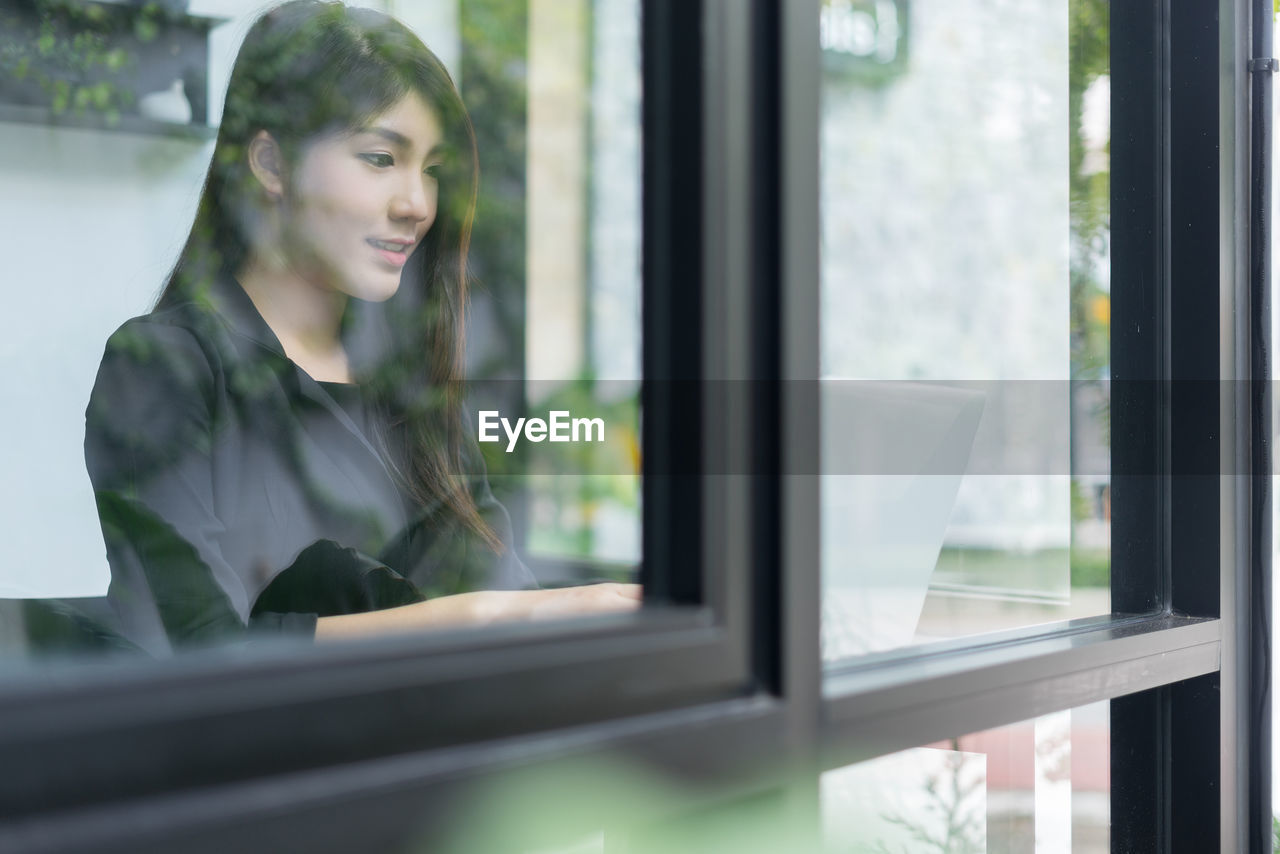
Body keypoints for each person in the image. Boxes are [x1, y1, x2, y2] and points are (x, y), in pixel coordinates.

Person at [83, 0, 639, 657]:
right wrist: (486, 617)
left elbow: (497, 596)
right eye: (381, 158)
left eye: (431, 169)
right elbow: (205, 655)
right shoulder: (165, 368)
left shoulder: (412, 389)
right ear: (270, 164)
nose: (417, 204)